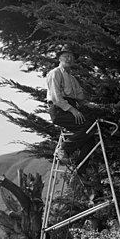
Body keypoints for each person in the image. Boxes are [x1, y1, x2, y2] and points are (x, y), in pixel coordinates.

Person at [46, 46, 96, 176]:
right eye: (65, 56)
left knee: (90, 137)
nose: (69, 58)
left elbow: (81, 99)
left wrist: (94, 105)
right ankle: (63, 149)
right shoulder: (55, 73)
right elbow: (56, 97)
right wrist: (73, 110)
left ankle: (80, 170)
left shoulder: (73, 79)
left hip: (70, 108)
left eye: (71, 56)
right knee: (88, 126)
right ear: (59, 58)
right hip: (59, 109)